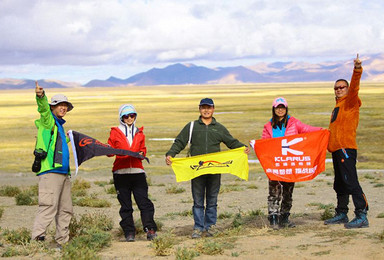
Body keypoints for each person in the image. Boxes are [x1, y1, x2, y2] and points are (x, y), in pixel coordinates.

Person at [165, 98, 250, 239]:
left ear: (213, 109)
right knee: (198, 201)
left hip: (214, 170)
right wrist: (170, 154)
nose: (206, 110)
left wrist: (242, 148)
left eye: (209, 107)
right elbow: (179, 141)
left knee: (212, 200)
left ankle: (211, 227)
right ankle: (198, 228)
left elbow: (231, 142)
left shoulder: (219, 128)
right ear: (199, 109)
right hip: (196, 170)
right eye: (203, 107)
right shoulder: (191, 126)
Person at [262, 97, 322, 229]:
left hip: (290, 163)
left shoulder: (294, 123)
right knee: (274, 191)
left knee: (288, 191)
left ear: (286, 109)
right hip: (275, 164)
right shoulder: (268, 126)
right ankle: (273, 218)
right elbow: (264, 144)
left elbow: (307, 129)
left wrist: (322, 131)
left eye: (282, 107)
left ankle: (284, 217)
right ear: (274, 109)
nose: (280, 110)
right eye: (278, 107)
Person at [324, 55, 369, 229]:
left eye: (342, 87)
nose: (339, 90)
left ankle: (362, 214)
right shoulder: (337, 107)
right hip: (336, 150)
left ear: (348, 89)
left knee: (351, 182)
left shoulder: (350, 102)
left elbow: (356, 85)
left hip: (346, 149)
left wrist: (357, 69)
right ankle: (342, 213)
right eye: (336, 88)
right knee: (340, 183)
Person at [31, 82, 74, 248]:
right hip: (50, 172)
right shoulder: (48, 121)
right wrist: (41, 96)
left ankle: (62, 241)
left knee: (66, 209)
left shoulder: (60, 128)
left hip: (63, 173)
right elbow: (42, 109)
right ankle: (37, 240)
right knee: (48, 206)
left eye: (65, 106)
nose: (63, 108)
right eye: (59, 105)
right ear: (52, 107)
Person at [108, 104, 157, 242]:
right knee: (125, 205)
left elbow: (143, 149)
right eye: (126, 116)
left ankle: (150, 229)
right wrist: (108, 149)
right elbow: (110, 153)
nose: (129, 118)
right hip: (120, 173)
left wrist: (142, 153)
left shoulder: (139, 132)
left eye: (132, 115)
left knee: (144, 202)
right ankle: (129, 232)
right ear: (121, 117)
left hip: (137, 172)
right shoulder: (115, 132)